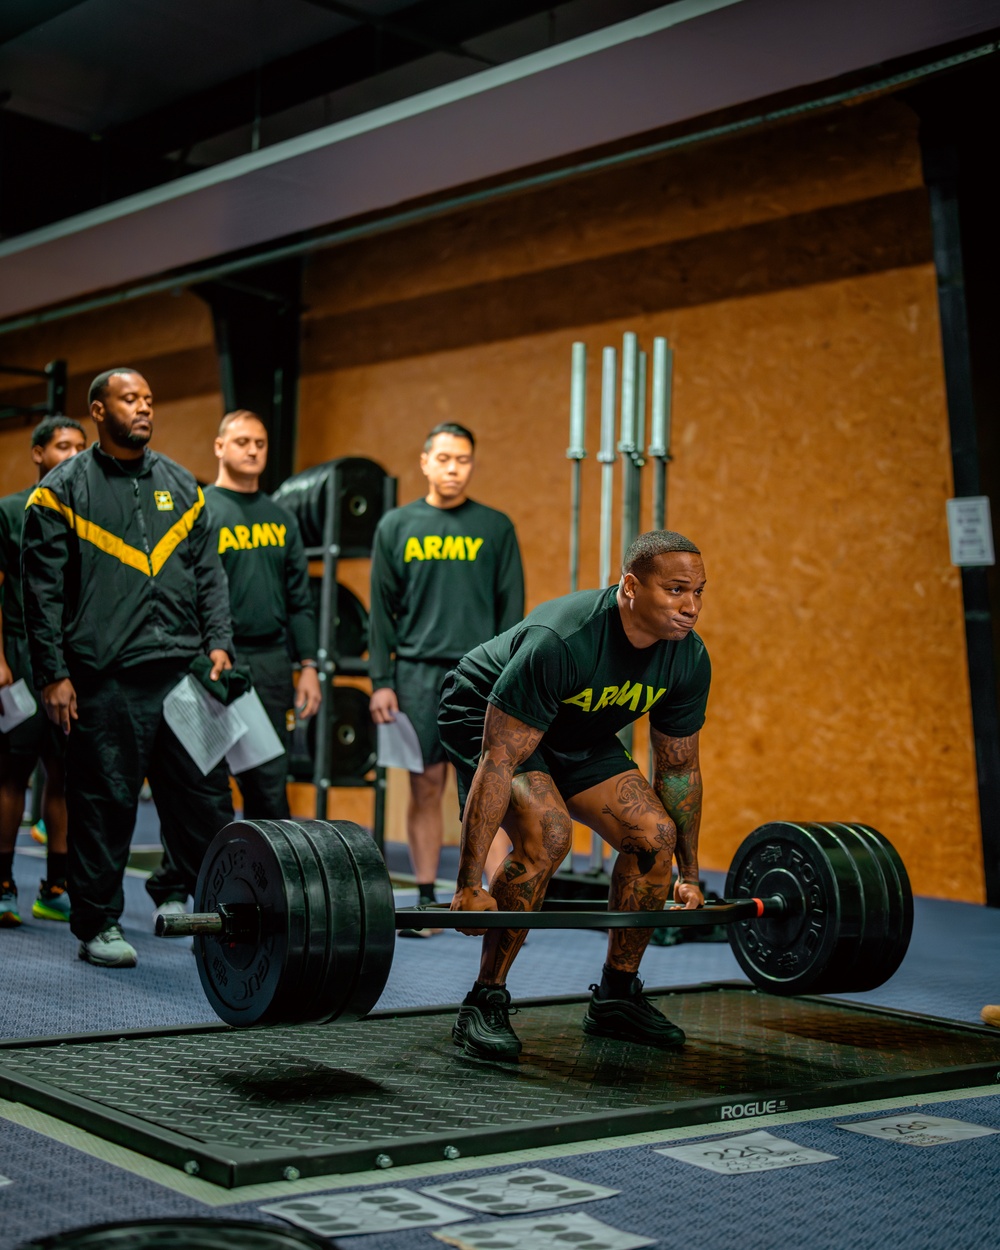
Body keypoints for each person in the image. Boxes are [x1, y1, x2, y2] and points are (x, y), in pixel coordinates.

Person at [438, 529, 710, 1060]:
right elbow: (499, 758)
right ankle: (484, 999)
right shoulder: (562, 639)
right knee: (549, 832)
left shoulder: (687, 659)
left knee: (654, 836)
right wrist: (469, 884)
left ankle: (616, 997)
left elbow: (679, 769)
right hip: (485, 713)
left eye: (700, 592)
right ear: (631, 587)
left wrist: (691, 873)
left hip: (574, 728)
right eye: (677, 590)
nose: (691, 606)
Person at [21, 369, 236, 968]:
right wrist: (52, 675)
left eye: (148, 398)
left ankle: (219, 915)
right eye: (129, 399)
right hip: (104, 679)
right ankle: (97, 924)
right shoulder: (59, 493)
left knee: (207, 803)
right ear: (97, 410)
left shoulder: (181, 485)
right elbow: (40, 598)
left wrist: (219, 642)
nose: (144, 408)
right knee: (105, 803)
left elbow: (209, 574)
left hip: (183, 673)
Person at [368, 423, 524, 929]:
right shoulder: (396, 526)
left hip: (481, 675)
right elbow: (380, 614)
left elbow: (513, 611)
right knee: (425, 786)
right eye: (444, 458)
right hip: (414, 674)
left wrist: (510, 680)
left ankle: (494, 902)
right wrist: (380, 680)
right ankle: (430, 898)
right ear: (425, 461)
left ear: (471, 465)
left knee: (491, 786)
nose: (453, 468)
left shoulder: (496, 527)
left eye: (463, 460)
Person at [203, 410, 321, 818]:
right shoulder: (200, 512)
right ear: (220, 447)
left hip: (270, 664)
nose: (252, 450)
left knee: (269, 786)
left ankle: (265, 881)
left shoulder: (282, 519)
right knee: (205, 788)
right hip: (213, 663)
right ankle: (183, 883)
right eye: (242, 442)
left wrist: (308, 665)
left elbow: (300, 601)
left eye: (260, 443)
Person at [0, 417, 87, 927]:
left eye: (80, 447)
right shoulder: (11, 510)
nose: (73, 455)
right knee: (10, 773)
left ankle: (57, 886)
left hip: (74, 666)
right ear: (38, 453)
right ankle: (3, 882)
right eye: (62, 447)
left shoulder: (90, 514)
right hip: (22, 663)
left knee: (66, 776)